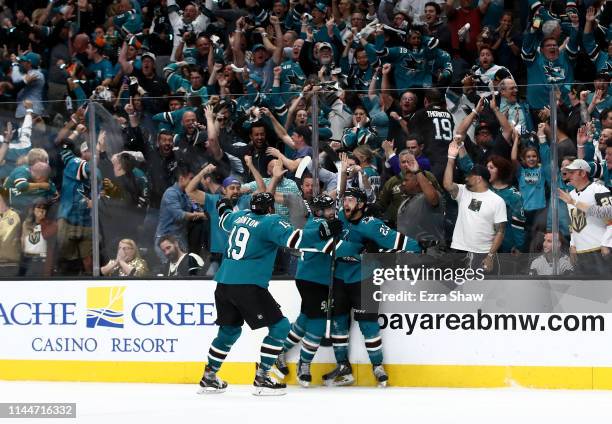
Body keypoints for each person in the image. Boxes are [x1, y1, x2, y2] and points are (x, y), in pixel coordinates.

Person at [199, 192, 342, 395]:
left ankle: (209, 376)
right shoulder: (271, 221)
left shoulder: (239, 217)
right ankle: (263, 377)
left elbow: (223, 218)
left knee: (229, 331)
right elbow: (295, 240)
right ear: (269, 208)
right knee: (281, 327)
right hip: (248, 284)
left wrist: (223, 204)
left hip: (223, 283)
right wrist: (324, 230)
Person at [324, 187, 421, 388]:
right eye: (345, 200)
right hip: (339, 277)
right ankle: (343, 366)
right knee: (338, 323)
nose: (346, 204)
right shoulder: (339, 218)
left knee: (368, 324)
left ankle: (377, 366)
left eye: (350, 201)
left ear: (361, 204)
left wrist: (420, 246)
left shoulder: (371, 225)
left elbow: (397, 240)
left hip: (365, 278)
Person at [273, 194, 361, 387]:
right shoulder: (315, 226)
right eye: (329, 209)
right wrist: (360, 248)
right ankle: (303, 365)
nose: (333, 211)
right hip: (311, 280)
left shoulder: (326, 222)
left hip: (318, 280)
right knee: (318, 324)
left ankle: (280, 350)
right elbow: (335, 248)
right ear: (319, 211)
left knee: (305, 318)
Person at [444, 141, 507, 273]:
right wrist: (451, 159)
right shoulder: (463, 192)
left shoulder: (497, 201)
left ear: (478, 179)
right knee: (458, 292)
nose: (466, 178)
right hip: (459, 250)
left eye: (469, 175)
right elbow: (448, 185)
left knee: (479, 292)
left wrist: (490, 256)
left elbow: (500, 232)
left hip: (482, 253)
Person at [560, 159, 611, 275]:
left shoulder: (599, 189)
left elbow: (610, 218)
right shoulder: (570, 195)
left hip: (600, 250)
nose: (569, 175)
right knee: (584, 291)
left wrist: (606, 243)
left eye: (572, 172)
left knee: (603, 288)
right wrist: (572, 245)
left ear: (583, 173)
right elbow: (573, 222)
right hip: (580, 253)